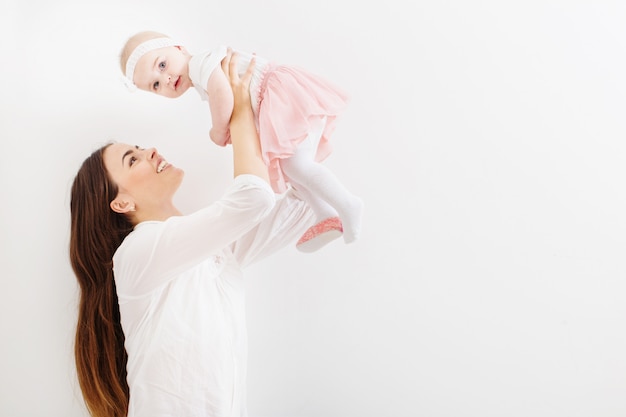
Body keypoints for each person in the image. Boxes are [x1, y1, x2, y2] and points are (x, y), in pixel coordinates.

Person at [69, 50, 316, 417]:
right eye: (132, 159)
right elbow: (253, 199)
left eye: (138, 148)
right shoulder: (139, 252)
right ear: (120, 204)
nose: (149, 150)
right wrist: (240, 111)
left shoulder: (214, 255)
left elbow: (303, 204)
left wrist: (281, 106)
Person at [119, 30, 363, 252]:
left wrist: (218, 130)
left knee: (296, 166)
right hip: (276, 103)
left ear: (179, 48)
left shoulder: (201, 64)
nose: (167, 78)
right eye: (156, 84)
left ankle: (348, 204)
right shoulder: (200, 71)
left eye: (162, 65)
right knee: (291, 170)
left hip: (280, 97)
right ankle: (325, 212)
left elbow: (223, 94)